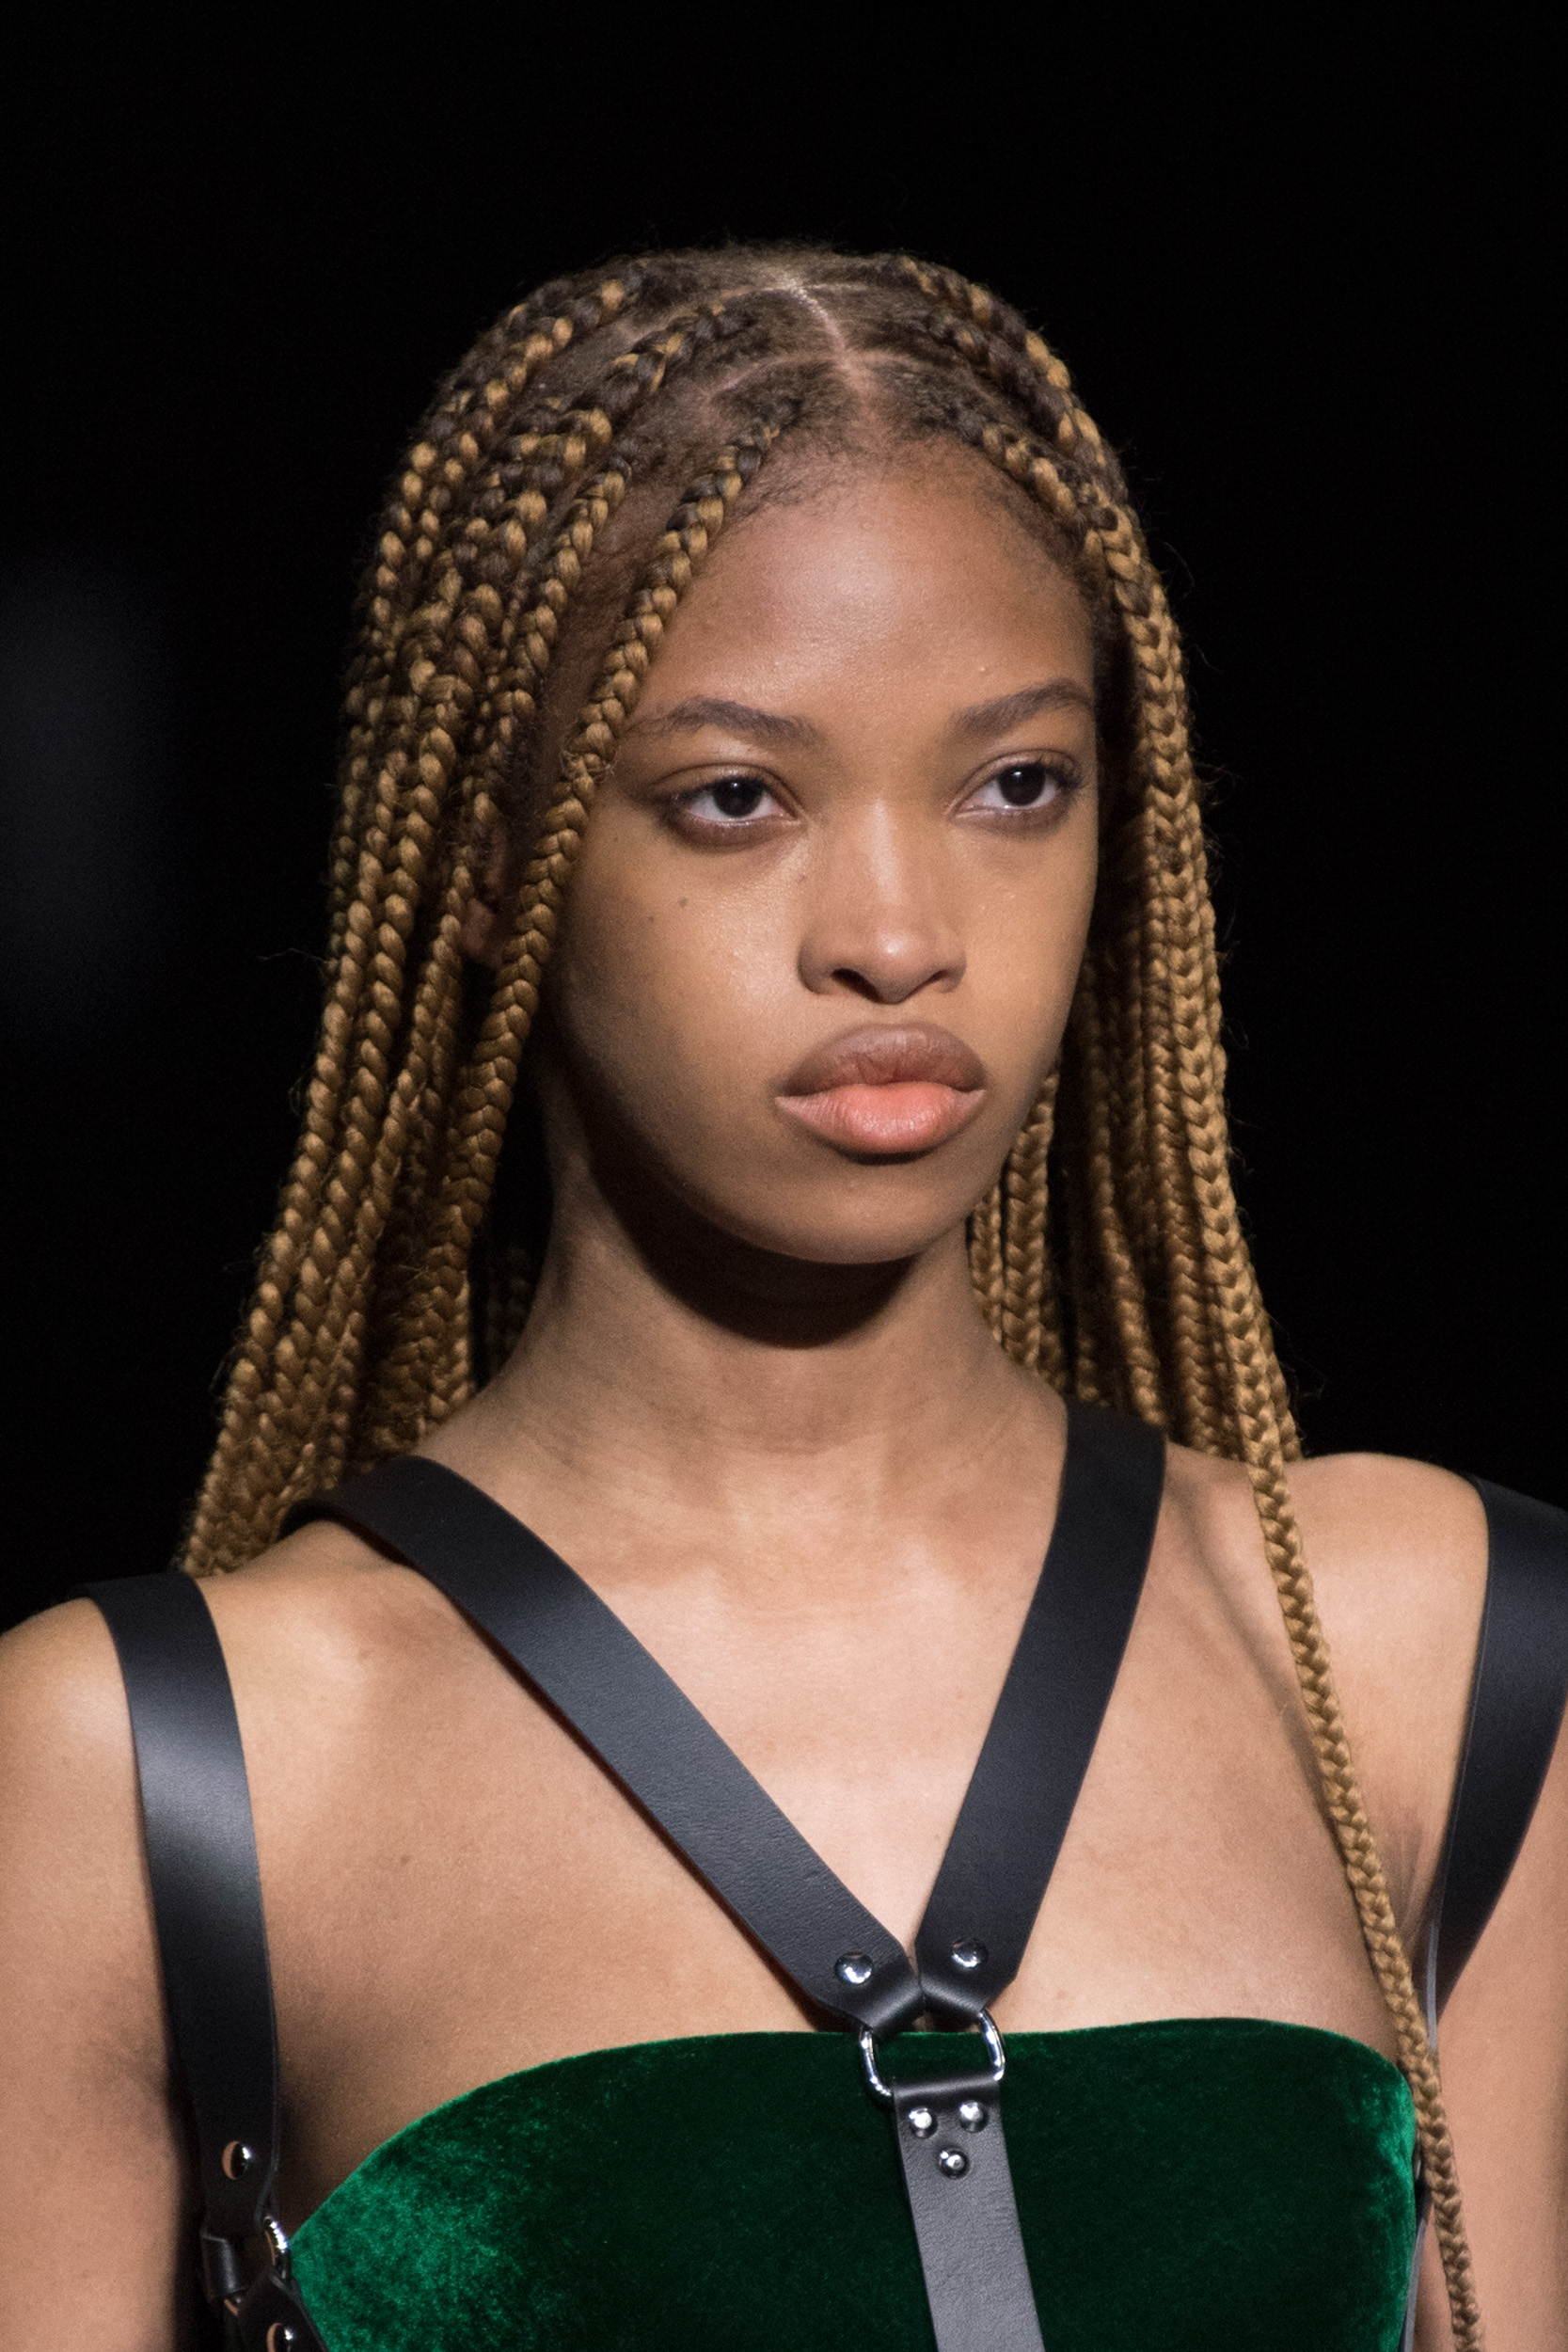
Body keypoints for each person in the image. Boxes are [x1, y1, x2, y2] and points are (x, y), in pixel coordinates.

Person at [0, 246, 1561, 2352]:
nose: (898, 935)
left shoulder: (1420, 1652)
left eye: (1015, 783)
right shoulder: (160, 1772)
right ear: (488, 856)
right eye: (737, 797)